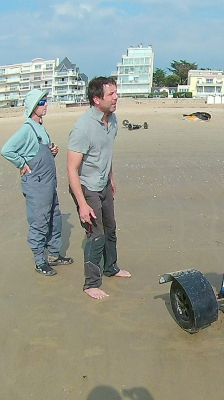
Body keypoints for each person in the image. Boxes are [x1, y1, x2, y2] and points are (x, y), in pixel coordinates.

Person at [67, 77, 131, 299]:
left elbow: (106, 153)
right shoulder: (82, 128)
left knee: (110, 229)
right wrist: (82, 204)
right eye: (111, 94)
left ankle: (110, 267)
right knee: (96, 235)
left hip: (103, 184)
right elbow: (71, 169)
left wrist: (110, 178)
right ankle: (91, 284)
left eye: (116, 92)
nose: (116, 97)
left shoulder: (112, 121)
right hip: (86, 187)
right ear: (96, 99)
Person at [1, 89, 74, 276]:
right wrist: (21, 163)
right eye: (42, 102)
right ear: (34, 106)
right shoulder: (27, 128)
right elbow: (7, 150)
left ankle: (53, 255)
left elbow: (38, 150)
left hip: (49, 183)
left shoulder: (40, 126)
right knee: (39, 222)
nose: (46, 105)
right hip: (37, 183)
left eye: (46, 101)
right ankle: (40, 261)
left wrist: (53, 150)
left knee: (54, 219)